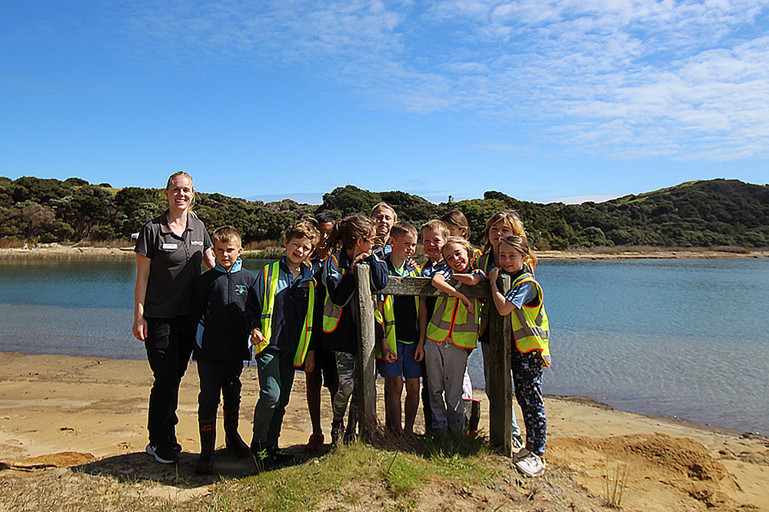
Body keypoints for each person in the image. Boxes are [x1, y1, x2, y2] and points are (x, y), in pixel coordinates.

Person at [133, 171, 215, 464]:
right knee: (166, 378)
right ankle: (158, 440)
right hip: (158, 317)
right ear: (166, 193)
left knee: (176, 376)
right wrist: (139, 317)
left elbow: (212, 262)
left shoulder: (199, 226)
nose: (181, 194)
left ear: (194, 195)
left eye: (187, 190)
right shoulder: (152, 230)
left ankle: (168, 435)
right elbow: (142, 277)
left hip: (188, 318)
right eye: (176, 189)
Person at [246, 220, 320, 467]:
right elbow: (252, 306)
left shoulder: (311, 280)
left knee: (283, 400)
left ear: (311, 251)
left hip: (294, 349)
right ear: (286, 243)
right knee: (270, 395)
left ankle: (272, 448)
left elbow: (313, 319)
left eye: (306, 248)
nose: (299, 251)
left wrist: (310, 351)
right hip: (268, 345)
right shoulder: (268, 273)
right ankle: (258, 448)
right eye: (296, 245)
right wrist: (253, 328)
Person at [192, 225, 255, 474]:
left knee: (232, 394)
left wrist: (254, 333)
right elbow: (194, 316)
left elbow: (254, 314)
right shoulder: (205, 281)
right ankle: (206, 451)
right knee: (208, 398)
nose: (225, 255)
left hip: (236, 351)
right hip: (208, 352)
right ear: (213, 251)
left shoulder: (250, 280)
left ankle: (232, 438)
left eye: (230, 250)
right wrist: (195, 346)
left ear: (240, 251)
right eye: (220, 250)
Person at [321, 215, 388, 444]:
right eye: (371, 238)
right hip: (341, 335)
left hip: (368, 333)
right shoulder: (332, 262)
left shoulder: (374, 256)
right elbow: (338, 297)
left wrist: (370, 261)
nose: (375, 242)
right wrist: (351, 271)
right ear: (359, 240)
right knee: (347, 385)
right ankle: (337, 423)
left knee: (363, 385)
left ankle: (352, 430)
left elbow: (381, 283)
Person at [488, 235, 550, 477]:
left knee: (533, 402)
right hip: (519, 351)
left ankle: (538, 453)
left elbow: (504, 308)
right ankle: (530, 446)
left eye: (512, 256)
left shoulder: (526, 283)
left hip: (531, 353)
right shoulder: (513, 279)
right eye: (502, 256)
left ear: (525, 258)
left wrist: (493, 284)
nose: (506, 260)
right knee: (524, 400)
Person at [477, 210, 528, 448]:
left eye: (505, 230)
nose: (498, 234)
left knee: (516, 388)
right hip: (489, 330)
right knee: (493, 385)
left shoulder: (523, 261)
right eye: (494, 229)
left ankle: (514, 437)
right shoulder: (483, 259)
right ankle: (507, 433)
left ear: (516, 234)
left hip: (517, 334)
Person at [425, 237, 483, 432]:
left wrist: (456, 277)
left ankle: (457, 431)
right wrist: (461, 296)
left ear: (467, 252)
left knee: (454, 391)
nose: (455, 260)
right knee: (434, 389)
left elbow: (474, 280)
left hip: (459, 341)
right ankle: (439, 429)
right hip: (435, 337)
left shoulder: (478, 272)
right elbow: (435, 280)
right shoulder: (444, 273)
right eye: (449, 258)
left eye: (458, 254)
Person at [377, 222, 426, 434]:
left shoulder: (415, 271)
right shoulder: (381, 269)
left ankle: (409, 430)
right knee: (395, 385)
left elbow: (422, 308)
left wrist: (422, 341)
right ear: (392, 242)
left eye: (414, 244)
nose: (411, 249)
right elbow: (377, 310)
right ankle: (395, 431)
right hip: (392, 339)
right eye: (406, 244)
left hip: (413, 338)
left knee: (414, 386)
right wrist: (384, 344)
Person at [439, 210, 482, 431]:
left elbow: (477, 278)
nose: (445, 235)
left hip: (465, 331)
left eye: (450, 230)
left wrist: (453, 276)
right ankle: (451, 427)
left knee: (460, 378)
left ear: (463, 232)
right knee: (449, 380)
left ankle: (465, 425)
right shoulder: (444, 259)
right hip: (443, 332)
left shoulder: (475, 257)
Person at [304, 212, 339, 452]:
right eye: (321, 232)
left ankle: (338, 428)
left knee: (337, 384)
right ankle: (316, 432)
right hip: (309, 332)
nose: (325, 237)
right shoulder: (304, 262)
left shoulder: (339, 261)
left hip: (334, 333)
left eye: (330, 232)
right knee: (312, 380)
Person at [418, 219, 450, 432]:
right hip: (427, 333)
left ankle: (458, 430)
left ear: (446, 241)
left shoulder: (451, 266)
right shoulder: (422, 267)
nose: (431, 245)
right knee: (429, 386)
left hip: (450, 335)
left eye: (436, 240)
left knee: (454, 386)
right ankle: (434, 429)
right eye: (426, 240)